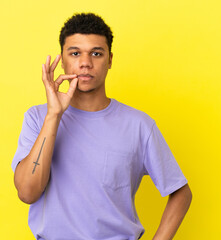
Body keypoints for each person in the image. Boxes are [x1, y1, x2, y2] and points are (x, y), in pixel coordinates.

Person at [11, 13, 192, 240]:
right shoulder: (38, 118)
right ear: (63, 60)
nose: (85, 62)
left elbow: (180, 192)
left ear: (110, 60)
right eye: (75, 53)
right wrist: (54, 114)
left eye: (96, 53)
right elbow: (27, 192)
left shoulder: (139, 125)